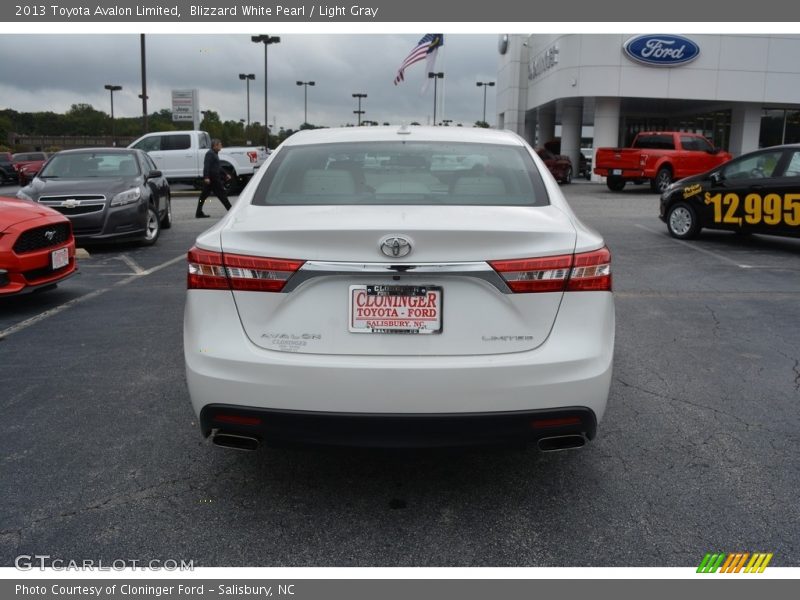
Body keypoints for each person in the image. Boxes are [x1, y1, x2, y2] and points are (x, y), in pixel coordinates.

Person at [196, 139, 232, 218]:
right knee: (222, 195)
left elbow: (218, 167)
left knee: (203, 196)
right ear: (215, 146)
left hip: (212, 179)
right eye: (220, 145)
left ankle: (198, 212)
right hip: (212, 179)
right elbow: (206, 166)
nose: (221, 146)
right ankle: (231, 211)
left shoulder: (215, 153)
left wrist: (225, 174)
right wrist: (206, 177)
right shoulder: (210, 154)